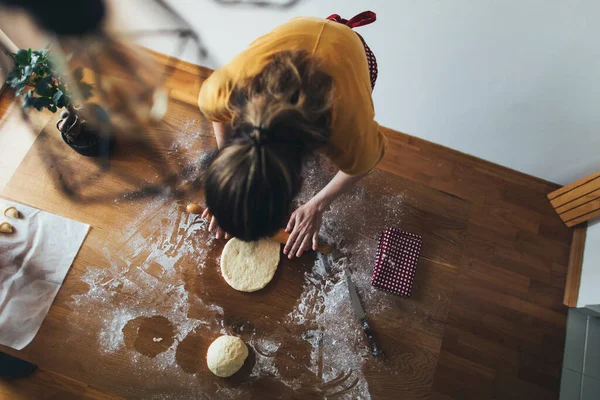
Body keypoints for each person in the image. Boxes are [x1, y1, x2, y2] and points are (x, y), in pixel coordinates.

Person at [198, 12, 386, 258]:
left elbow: (364, 163)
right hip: (295, 33)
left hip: (347, 48)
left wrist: (317, 205)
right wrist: (227, 188)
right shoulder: (220, 92)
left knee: (339, 155)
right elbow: (218, 116)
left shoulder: (348, 128)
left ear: (299, 181)